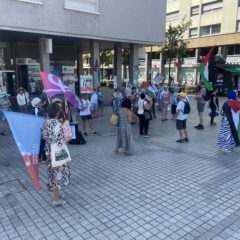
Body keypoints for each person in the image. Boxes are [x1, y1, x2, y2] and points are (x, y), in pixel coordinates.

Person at [41, 102, 71, 206]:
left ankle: (56, 195)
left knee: (52, 174)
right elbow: (64, 140)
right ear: (58, 113)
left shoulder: (45, 124)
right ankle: (56, 200)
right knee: (57, 175)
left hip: (49, 152)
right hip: (58, 153)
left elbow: (45, 138)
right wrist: (68, 135)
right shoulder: (59, 125)